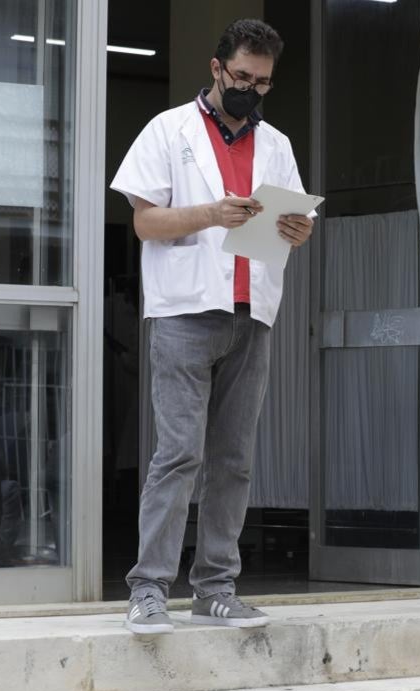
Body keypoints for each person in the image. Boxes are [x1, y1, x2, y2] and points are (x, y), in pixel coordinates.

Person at [110, 18, 314, 635]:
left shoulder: (275, 144)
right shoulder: (167, 131)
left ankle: (216, 588)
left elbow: (288, 219)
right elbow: (145, 224)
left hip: (252, 313)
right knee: (178, 454)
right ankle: (149, 589)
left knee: (234, 459)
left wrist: (296, 230)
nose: (251, 89)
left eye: (263, 82)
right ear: (216, 67)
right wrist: (211, 213)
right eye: (243, 77)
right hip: (184, 313)